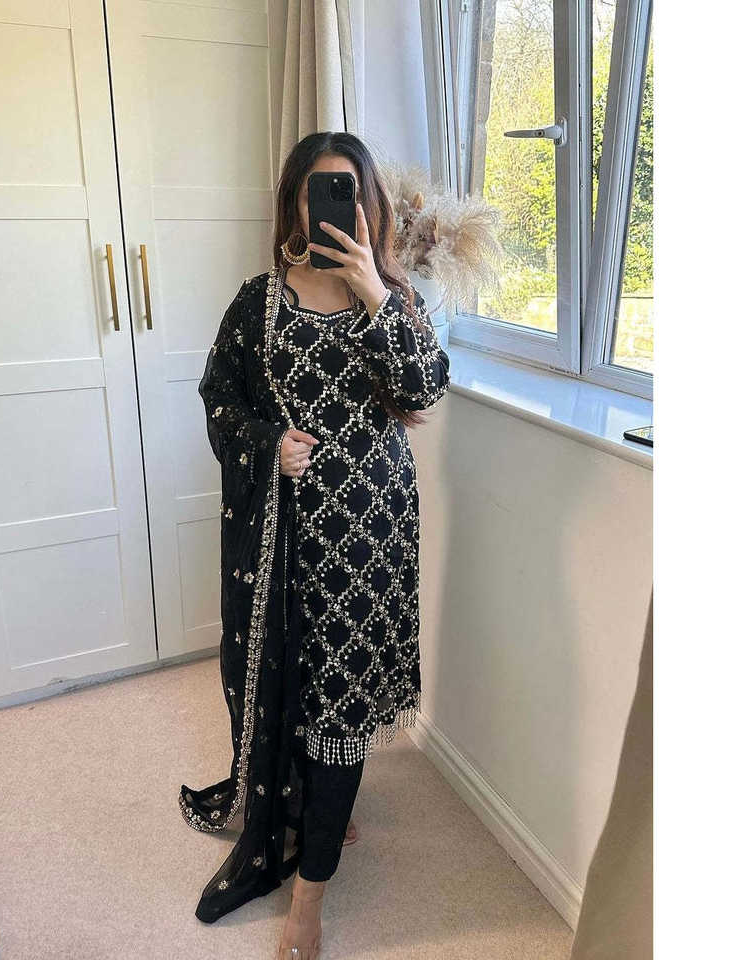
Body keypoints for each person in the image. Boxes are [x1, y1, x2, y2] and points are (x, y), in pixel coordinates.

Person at [177, 131, 451, 959]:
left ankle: (309, 896)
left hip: (367, 537)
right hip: (283, 536)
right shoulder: (258, 301)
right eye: (316, 191)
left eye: (348, 190)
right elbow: (218, 394)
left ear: (369, 204)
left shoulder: (393, 298)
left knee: (340, 705)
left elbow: (424, 387)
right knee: (287, 683)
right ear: (295, 203)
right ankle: (308, 807)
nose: (332, 205)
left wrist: (373, 292)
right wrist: (270, 444)